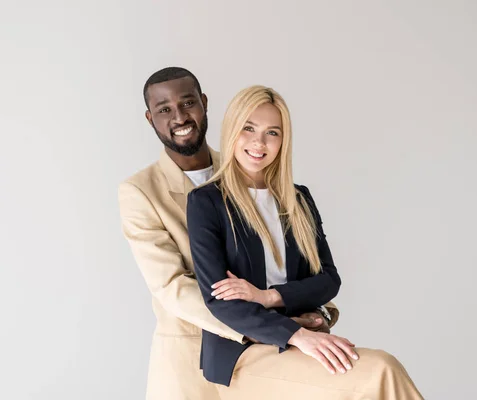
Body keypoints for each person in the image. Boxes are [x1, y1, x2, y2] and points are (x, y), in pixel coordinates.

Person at [187, 85, 424, 399]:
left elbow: (328, 280)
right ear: (232, 129)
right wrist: (296, 335)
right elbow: (220, 302)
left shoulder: (299, 200)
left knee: (378, 376)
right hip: (244, 355)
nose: (259, 143)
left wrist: (268, 296)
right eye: (249, 128)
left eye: (272, 132)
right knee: (381, 369)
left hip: (302, 342)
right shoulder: (207, 203)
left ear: (283, 141)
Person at [118, 67, 338, 400]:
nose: (179, 116)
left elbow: (294, 258)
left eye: (188, 102)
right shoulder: (139, 191)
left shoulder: (251, 161)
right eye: (164, 109)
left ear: (205, 104)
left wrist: (309, 314)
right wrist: (264, 327)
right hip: (191, 359)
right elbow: (171, 285)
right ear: (150, 119)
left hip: (272, 353)